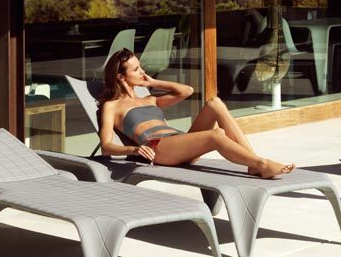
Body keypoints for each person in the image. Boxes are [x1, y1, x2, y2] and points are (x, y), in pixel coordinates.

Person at [98, 48, 295, 179]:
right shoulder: (112, 106)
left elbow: (187, 91)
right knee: (216, 135)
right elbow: (106, 147)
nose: (142, 71)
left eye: (140, 66)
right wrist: (134, 150)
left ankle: (253, 164)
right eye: (136, 69)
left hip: (178, 142)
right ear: (121, 77)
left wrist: (153, 82)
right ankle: (261, 163)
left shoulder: (150, 99)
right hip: (158, 147)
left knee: (215, 103)